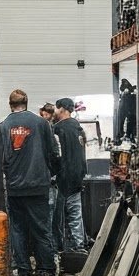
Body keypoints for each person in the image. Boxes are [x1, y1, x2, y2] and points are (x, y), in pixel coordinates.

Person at [0, 87, 61, 276]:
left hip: (15, 187)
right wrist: (48, 173)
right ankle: (46, 274)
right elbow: (53, 153)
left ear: (10, 105)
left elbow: (0, 159)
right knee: (42, 230)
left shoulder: (3, 126)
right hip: (38, 186)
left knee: (18, 230)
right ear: (26, 103)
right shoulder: (41, 123)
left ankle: (24, 273)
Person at [53, 97, 87, 254]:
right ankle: (79, 245)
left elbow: (56, 155)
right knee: (75, 213)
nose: (54, 111)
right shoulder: (78, 127)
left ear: (61, 109)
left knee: (57, 216)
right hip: (77, 175)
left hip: (63, 177)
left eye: (55, 108)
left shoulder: (58, 129)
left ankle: (59, 249)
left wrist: (55, 174)